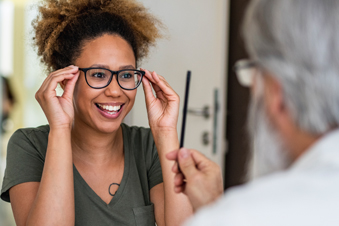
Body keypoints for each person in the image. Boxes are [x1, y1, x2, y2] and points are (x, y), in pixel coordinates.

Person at [0, 0, 192, 225]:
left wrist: (166, 132)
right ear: (65, 79)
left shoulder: (149, 145)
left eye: (127, 75)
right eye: (99, 75)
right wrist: (60, 129)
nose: (115, 91)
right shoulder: (29, 146)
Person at [167, 0, 339, 225]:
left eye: (255, 77)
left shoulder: (241, 217)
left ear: (278, 95)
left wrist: (219, 215)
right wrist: (214, 205)